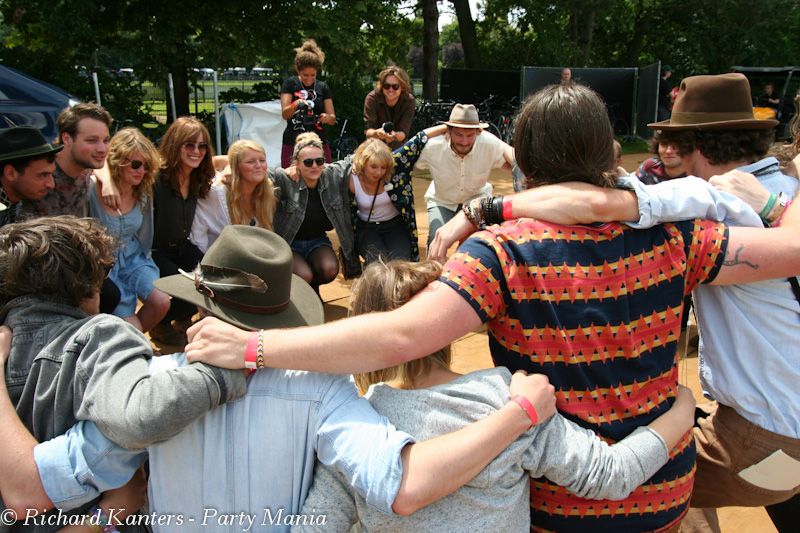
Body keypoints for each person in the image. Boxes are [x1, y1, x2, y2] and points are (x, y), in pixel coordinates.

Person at [184, 82, 800, 533]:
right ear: (609, 152)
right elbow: (790, 251)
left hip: (559, 507)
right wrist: (774, 204)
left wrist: (252, 346)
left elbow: (400, 339)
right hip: (664, 490)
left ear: (525, 164)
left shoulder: (500, 255)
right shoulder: (682, 237)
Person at [3, 225, 560, 533]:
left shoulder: (147, 383)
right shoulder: (323, 390)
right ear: (283, 312)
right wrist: (520, 413)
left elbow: (46, 487)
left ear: (200, 303)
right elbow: (401, 484)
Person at [430, 73, 800, 533]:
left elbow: (596, 202)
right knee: (677, 464)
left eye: (675, 143)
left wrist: (483, 210)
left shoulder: (704, 198)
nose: (668, 155)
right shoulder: (760, 197)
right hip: (753, 446)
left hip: (743, 445)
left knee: (652, 474)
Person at [296, 259, 697, 532]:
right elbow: (611, 474)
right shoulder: (501, 396)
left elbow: (318, 521)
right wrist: (683, 408)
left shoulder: (354, 424)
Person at [0, 216, 247, 532]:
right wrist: (226, 372)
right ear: (85, 282)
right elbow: (141, 417)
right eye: (103, 273)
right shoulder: (96, 337)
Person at [102, 116, 217, 345]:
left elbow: (229, 160)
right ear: (175, 145)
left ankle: (182, 318)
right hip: (155, 249)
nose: (197, 151)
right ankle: (161, 326)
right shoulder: (154, 176)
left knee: (212, 278)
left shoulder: (197, 176)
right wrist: (106, 180)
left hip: (182, 246)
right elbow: (115, 162)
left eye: (202, 145)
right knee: (187, 286)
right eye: (190, 145)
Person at [89, 128, 170, 335]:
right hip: (105, 262)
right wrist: (106, 181)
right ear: (118, 162)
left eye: (146, 165)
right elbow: (91, 166)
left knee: (161, 302)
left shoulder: (142, 191)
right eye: (135, 164)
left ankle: (134, 340)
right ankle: (135, 344)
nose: (140, 170)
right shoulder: (93, 189)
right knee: (131, 323)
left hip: (133, 257)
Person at [413, 103, 513, 248]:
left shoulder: (489, 144)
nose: (464, 142)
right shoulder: (432, 147)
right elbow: (405, 158)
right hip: (442, 200)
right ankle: (433, 271)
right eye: (458, 135)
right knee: (435, 241)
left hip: (477, 199)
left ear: (479, 132)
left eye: (470, 135)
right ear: (448, 130)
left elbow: (513, 164)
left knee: (476, 243)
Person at [189, 139, 276, 253]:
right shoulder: (216, 193)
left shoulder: (267, 191)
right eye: (250, 162)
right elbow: (198, 236)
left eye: (262, 160)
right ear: (236, 167)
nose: (258, 165)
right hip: (217, 261)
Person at [280, 39, 335, 168]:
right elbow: (285, 114)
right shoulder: (290, 84)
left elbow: (332, 118)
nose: (309, 79)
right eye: (305, 75)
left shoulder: (323, 87)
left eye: (313, 75)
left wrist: (327, 118)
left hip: (318, 139)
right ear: (298, 70)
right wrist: (296, 104)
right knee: (291, 177)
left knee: (324, 174)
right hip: (293, 139)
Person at [0, 126, 59, 226]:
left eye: (51, 174)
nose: (51, 184)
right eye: (42, 175)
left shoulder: (15, 203)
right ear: (11, 173)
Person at [363, 65, 415, 150]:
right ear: (382, 86)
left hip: (399, 149)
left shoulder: (409, 101)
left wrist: (393, 136)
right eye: (386, 86)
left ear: (402, 87)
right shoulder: (372, 98)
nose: (391, 90)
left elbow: (404, 132)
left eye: (395, 86)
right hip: (375, 148)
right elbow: (369, 131)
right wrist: (377, 133)